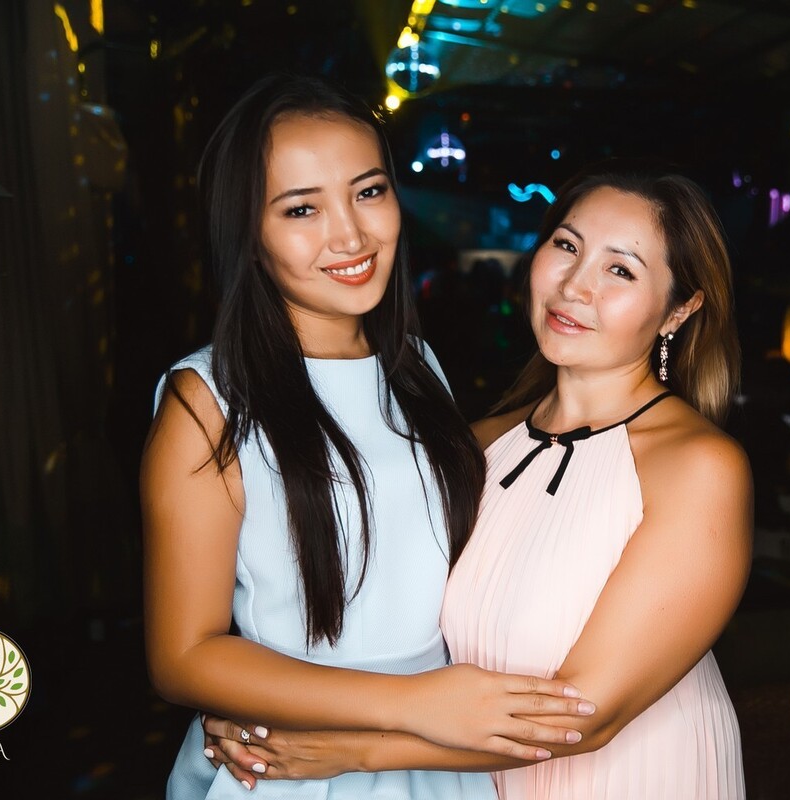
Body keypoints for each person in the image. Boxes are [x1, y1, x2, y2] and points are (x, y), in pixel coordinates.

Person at [202, 158, 753, 798]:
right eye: (566, 247)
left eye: (621, 270)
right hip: (482, 784)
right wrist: (270, 705)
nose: (576, 286)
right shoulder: (479, 442)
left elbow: (584, 717)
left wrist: (345, 750)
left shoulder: (699, 468)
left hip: (637, 776)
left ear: (679, 310)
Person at [140, 73, 595, 800]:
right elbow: (182, 656)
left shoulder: (415, 365)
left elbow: (439, 467)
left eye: (369, 191)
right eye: (301, 208)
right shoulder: (209, 402)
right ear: (249, 235)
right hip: (296, 761)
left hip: (440, 752)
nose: (350, 235)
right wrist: (415, 703)